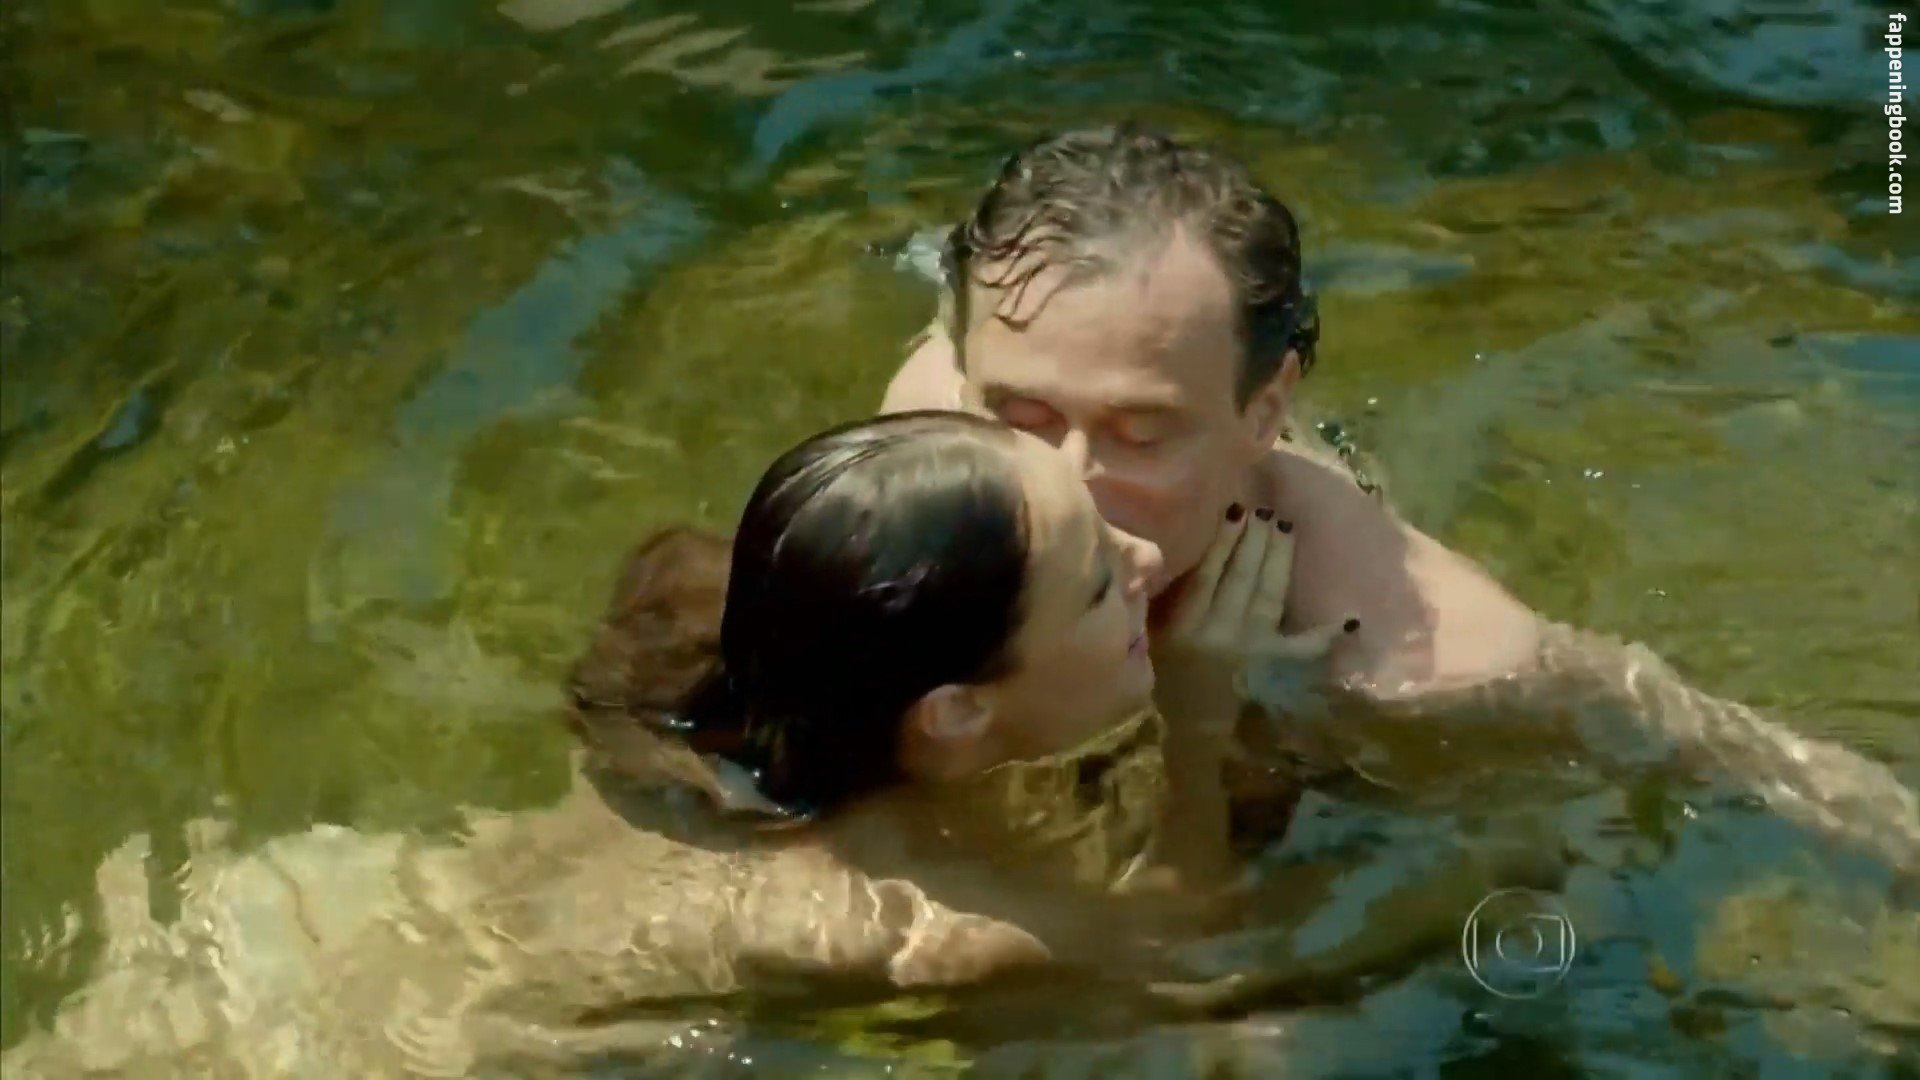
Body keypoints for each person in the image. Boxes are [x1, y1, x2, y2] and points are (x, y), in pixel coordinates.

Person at [2, 411, 1305, 1077]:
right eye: (1100, 578)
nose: (1145, 557)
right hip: (355, 1057)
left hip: (286, 912)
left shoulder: (707, 631)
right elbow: (1181, 951)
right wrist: (1200, 713)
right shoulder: (903, 915)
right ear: (953, 712)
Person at [879, 125, 1920, 877]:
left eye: (1140, 434)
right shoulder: (929, 435)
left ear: (1262, 413)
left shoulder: (1409, 652)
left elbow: (1686, 735)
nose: (1060, 481)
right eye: (1018, 413)